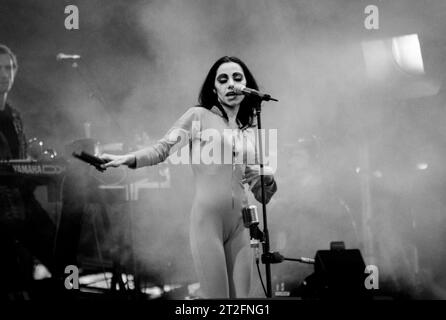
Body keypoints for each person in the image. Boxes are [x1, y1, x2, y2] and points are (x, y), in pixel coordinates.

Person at [100, 56, 278, 298]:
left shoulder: (247, 131)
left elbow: (260, 192)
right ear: (214, 89)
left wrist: (267, 181)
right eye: (223, 80)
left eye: (237, 78)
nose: (231, 84)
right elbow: (162, 149)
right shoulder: (198, 117)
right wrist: (128, 158)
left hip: (241, 225)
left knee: (242, 304)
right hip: (208, 223)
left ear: (247, 85)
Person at [0, 44, 56, 298]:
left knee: (59, 250)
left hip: (22, 199)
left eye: (10, 68)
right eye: (0, 68)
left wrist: (38, 157)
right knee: (13, 275)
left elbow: (20, 154)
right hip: (1, 205)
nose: (5, 74)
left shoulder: (14, 116)